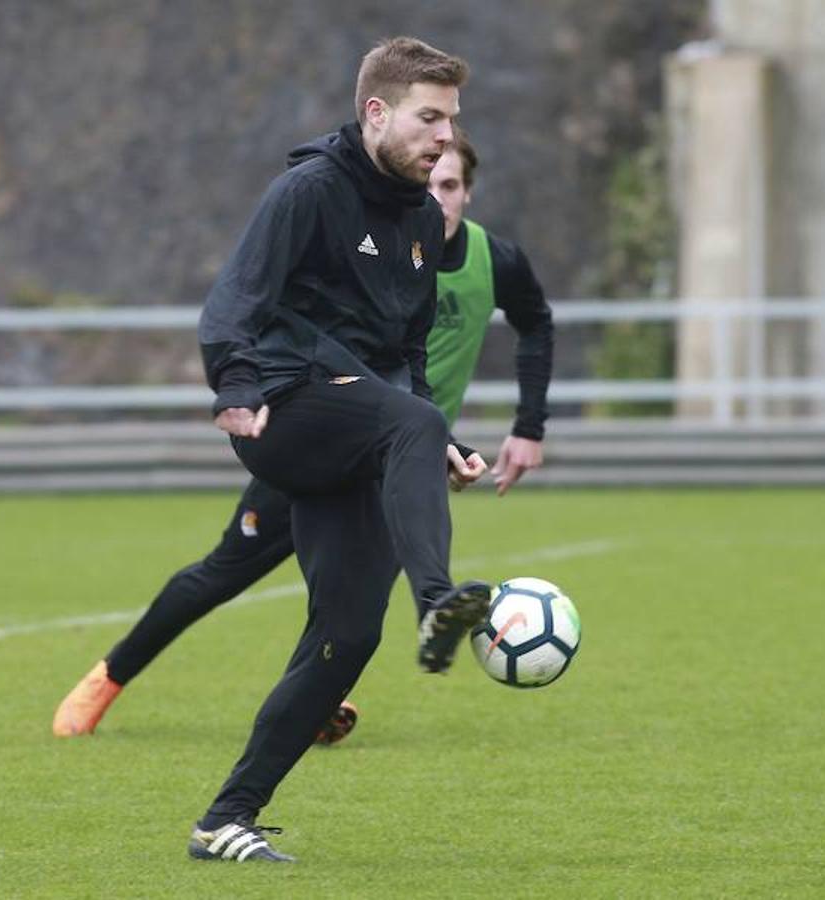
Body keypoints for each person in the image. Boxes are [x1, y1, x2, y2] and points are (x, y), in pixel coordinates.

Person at [51, 128, 553, 743]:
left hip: (401, 454)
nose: (438, 195)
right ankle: (110, 674)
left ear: (469, 194)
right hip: (325, 429)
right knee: (224, 571)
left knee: (354, 591)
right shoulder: (377, 244)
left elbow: (536, 322)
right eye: (432, 180)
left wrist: (527, 426)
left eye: (450, 185)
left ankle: (317, 700)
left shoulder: (493, 260)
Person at [149, 37, 495, 863]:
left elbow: (406, 355)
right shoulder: (307, 190)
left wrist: (435, 441)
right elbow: (234, 299)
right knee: (414, 423)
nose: (443, 138)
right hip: (284, 406)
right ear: (376, 112)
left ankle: (223, 820)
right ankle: (440, 600)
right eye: (428, 118)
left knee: (346, 634)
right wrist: (233, 389)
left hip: (358, 426)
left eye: (449, 121)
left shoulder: (419, 218)